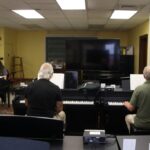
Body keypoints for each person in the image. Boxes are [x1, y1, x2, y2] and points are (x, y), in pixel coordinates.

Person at [124, 65, 150, 133]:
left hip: (142, 123)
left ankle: (131, 137)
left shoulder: (139, 89)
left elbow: (131, 108)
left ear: (144, 76)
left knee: (127, 117)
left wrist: (126, 103)